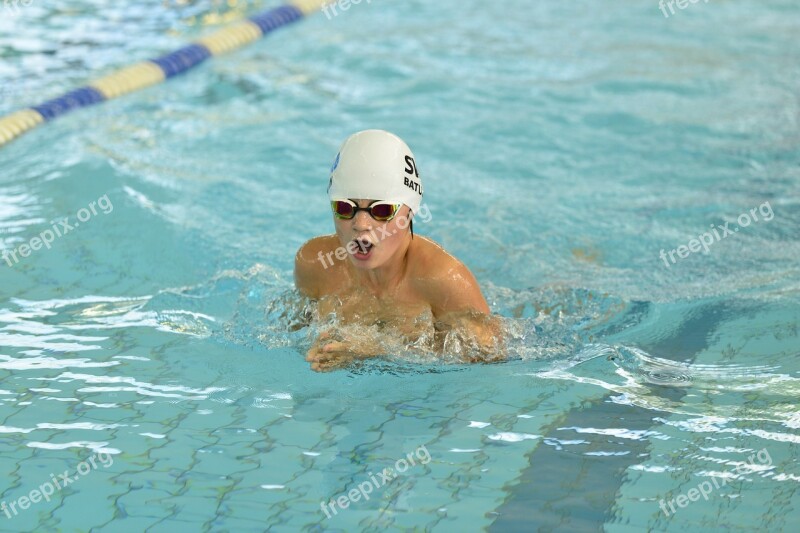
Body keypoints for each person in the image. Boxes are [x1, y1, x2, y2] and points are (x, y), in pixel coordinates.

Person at [294, 129, 502, 372]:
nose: (361, 224)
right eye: (344, 207)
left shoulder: (443, 279)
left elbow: (494, 358)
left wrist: (379, 351)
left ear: (410, 211)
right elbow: (295, 330)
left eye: (382, 211)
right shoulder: (315, 264)